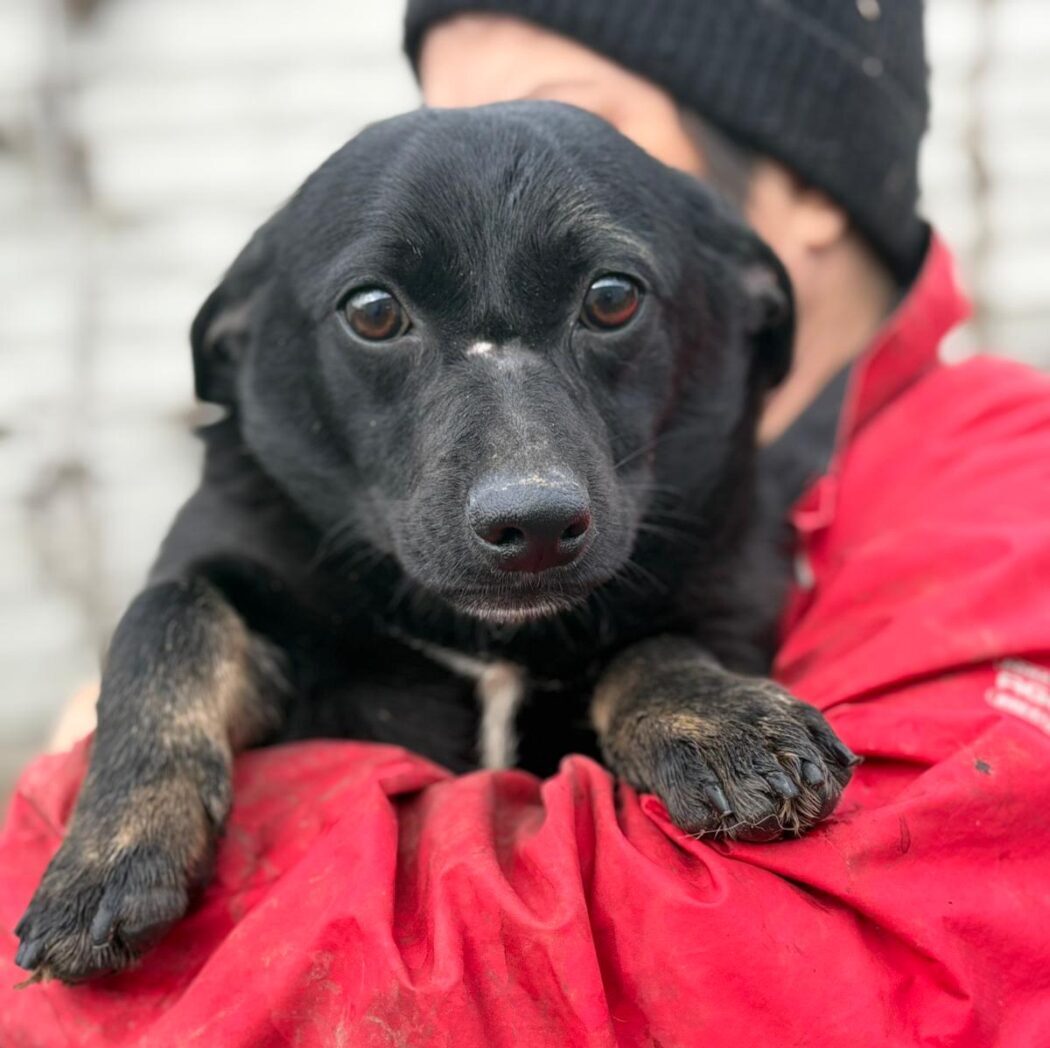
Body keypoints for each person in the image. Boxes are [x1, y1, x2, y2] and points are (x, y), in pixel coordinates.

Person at [3, 3, 1049, 1045]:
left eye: (607, 298)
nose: (484, 157)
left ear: (795, 203)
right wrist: (154, 719)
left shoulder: (1003, 484)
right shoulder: (280, 518)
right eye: (377, 315)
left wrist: (84, 799)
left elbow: (814, 970)